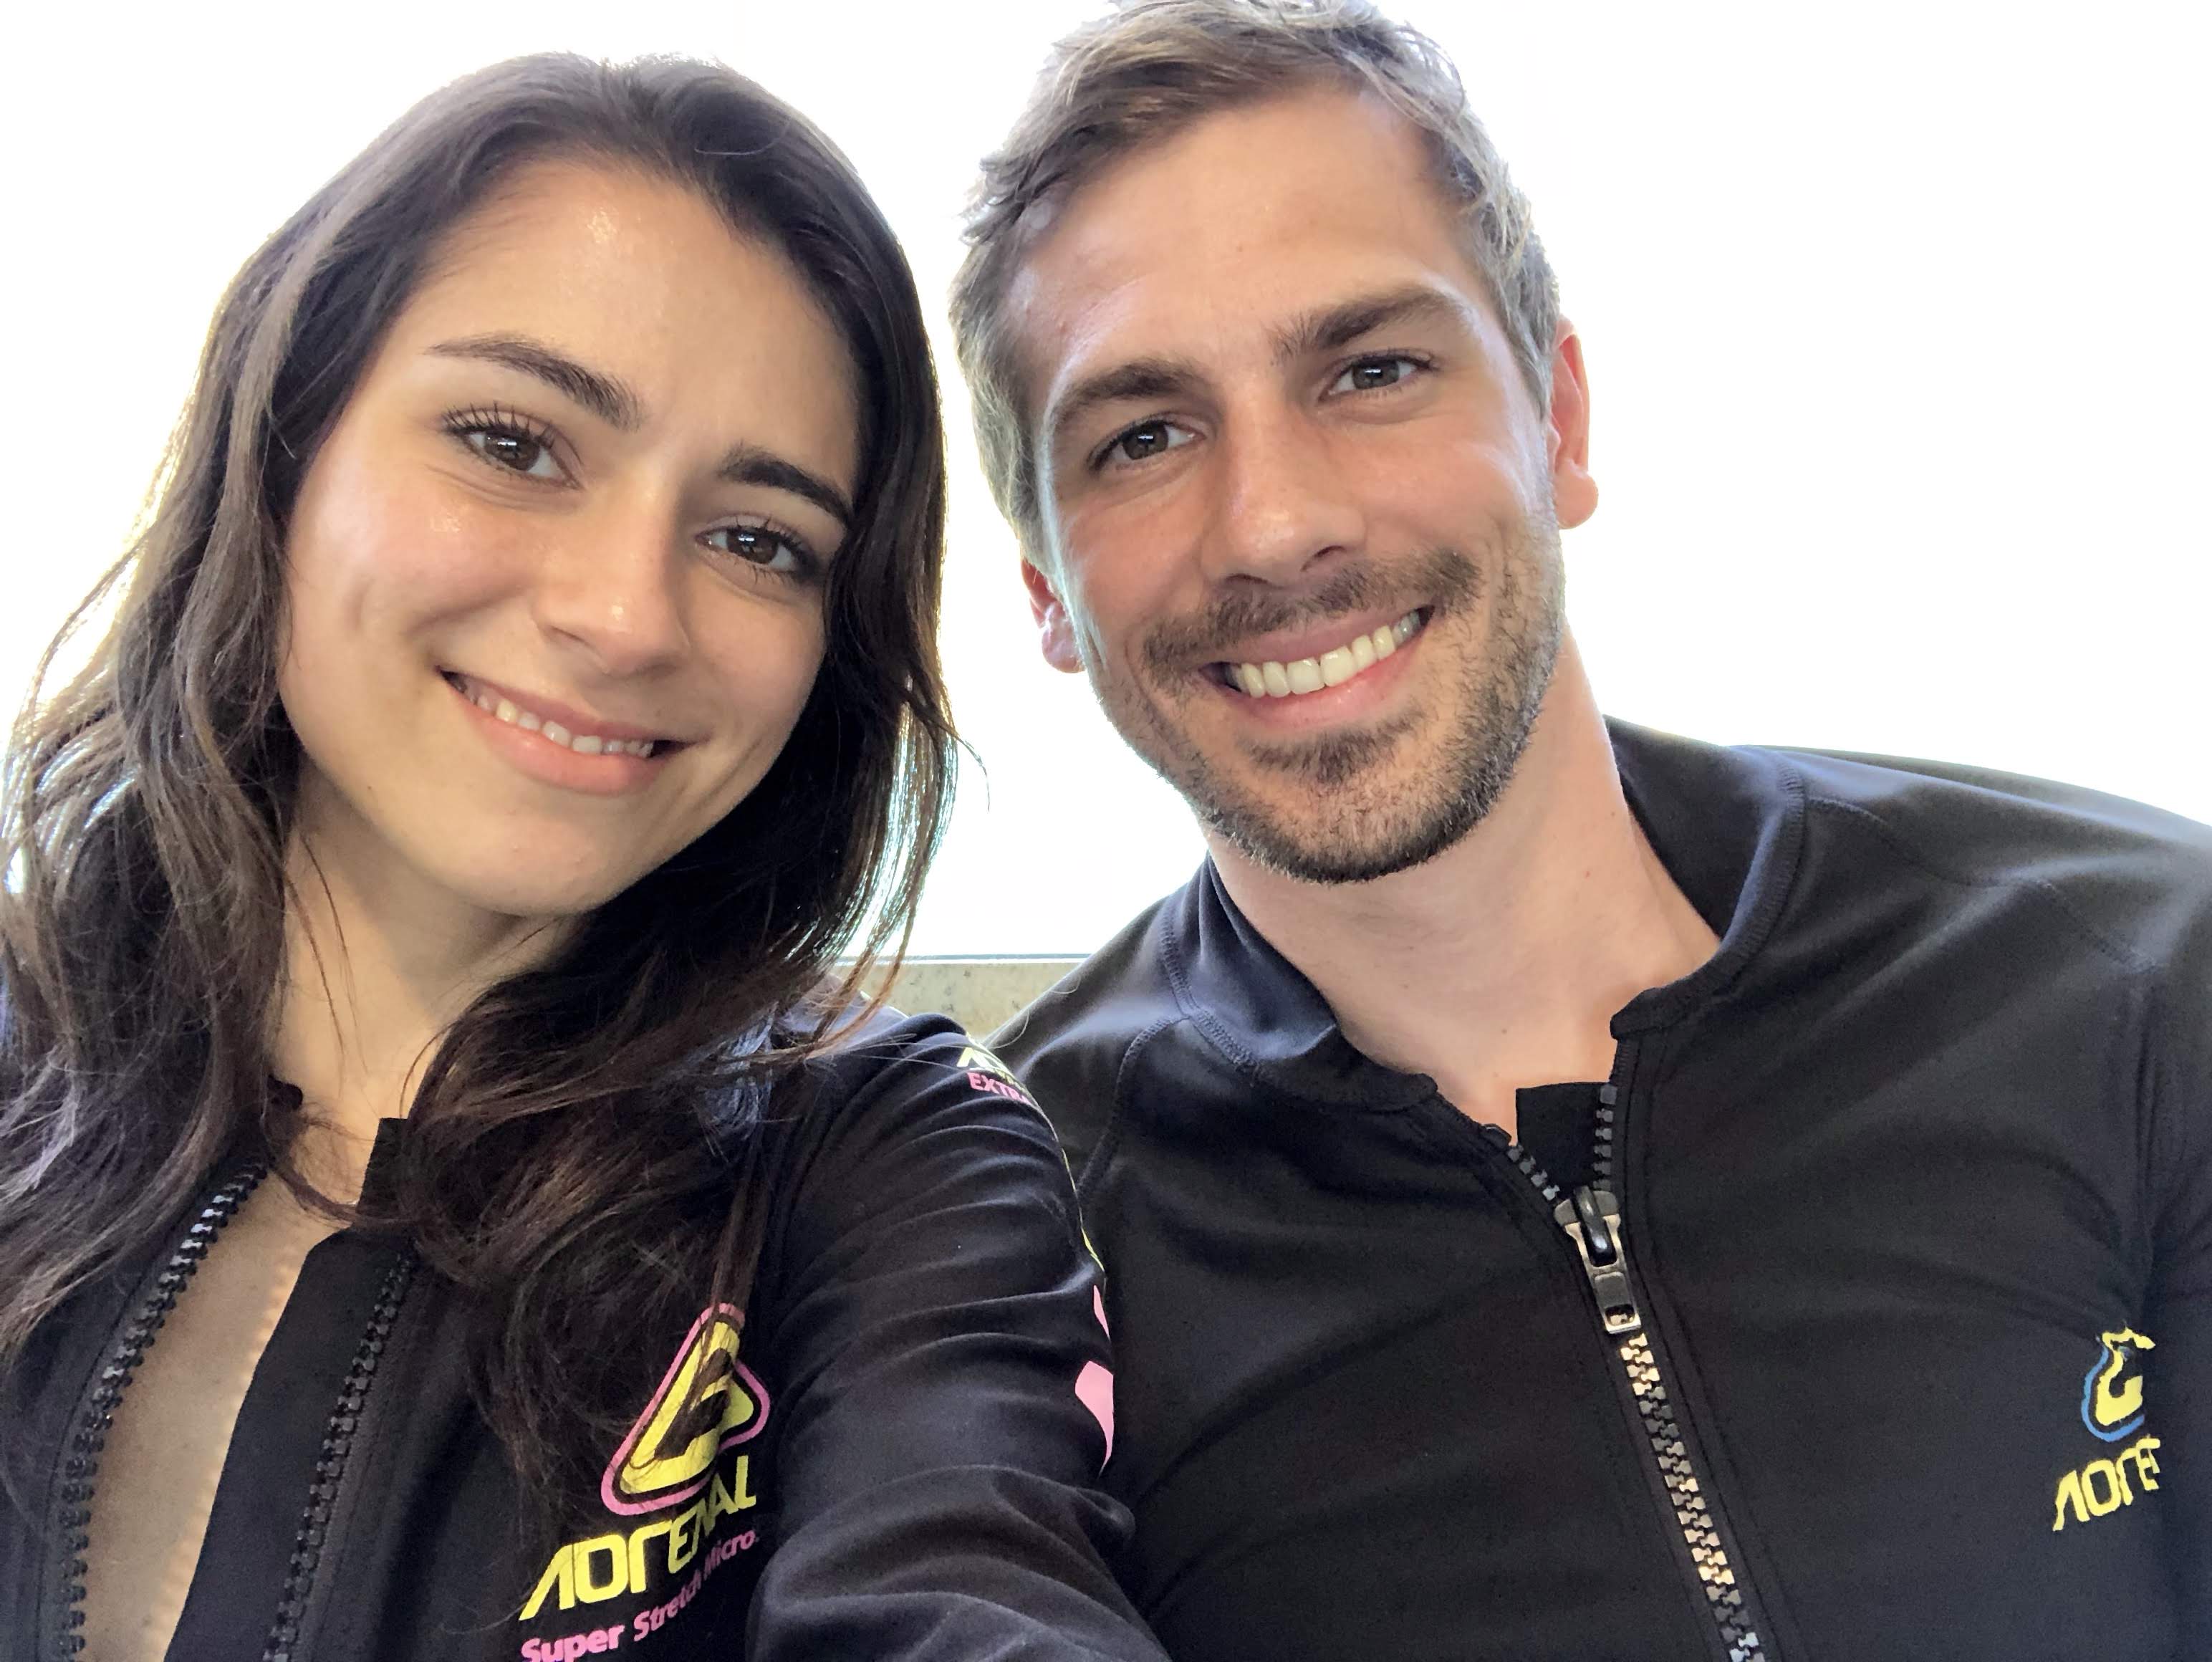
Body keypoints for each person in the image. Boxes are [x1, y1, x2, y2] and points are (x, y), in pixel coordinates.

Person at [947, 2, 2211, 1658]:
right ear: (1045, 588)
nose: (1273, 519)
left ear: (1558, 416)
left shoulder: (2132, 973)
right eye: (1142, 437)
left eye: (1372, 368)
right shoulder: (1025, 1254)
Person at [0, 54, 1168, 1662]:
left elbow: (966, 1576)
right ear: (282, 455)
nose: (624, 616)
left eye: (757, 538)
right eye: (512, 440)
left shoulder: (879, 1159)